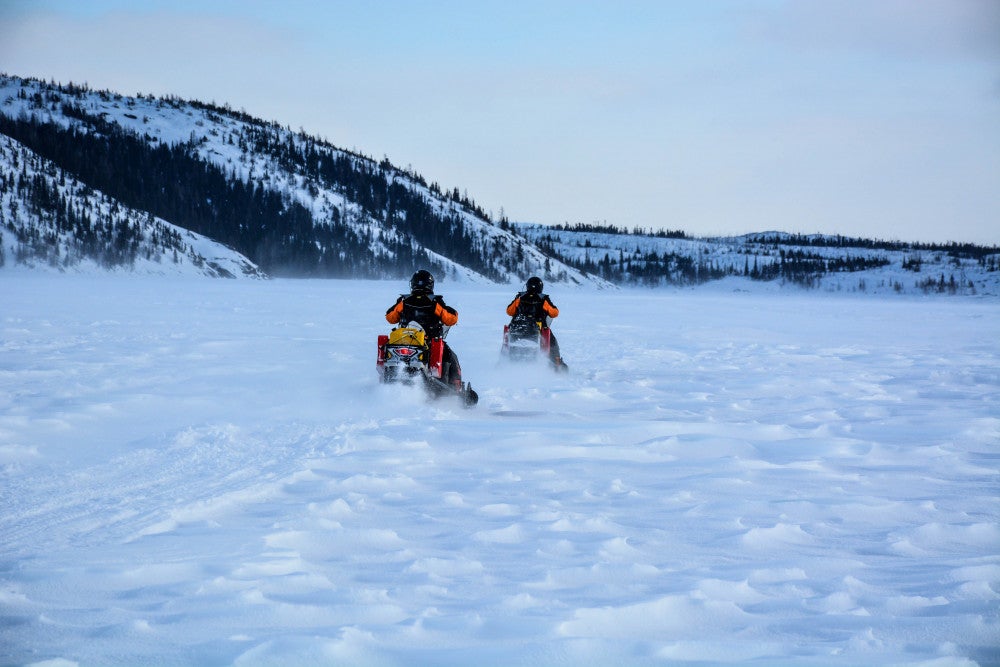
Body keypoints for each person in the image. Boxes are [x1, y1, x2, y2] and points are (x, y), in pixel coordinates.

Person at [386, 269, 466, 388]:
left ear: (412, 284)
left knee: (387, 347)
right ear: (430, 285)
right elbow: (451, 319)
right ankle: (454, 388)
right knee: (450, 355)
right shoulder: (434, 302)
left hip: (404, 340)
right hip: (428, 341)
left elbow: (390, 317)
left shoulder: (404, 301)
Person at [506, 276, 567, 370]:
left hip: (518, 328)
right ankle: (557, 363)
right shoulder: (543, 299)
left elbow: (509, 311)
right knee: (553, 342)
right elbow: (554, 313)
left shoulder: (520, 297)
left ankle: (504, 361)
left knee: (507, 340)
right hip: (537, 329)